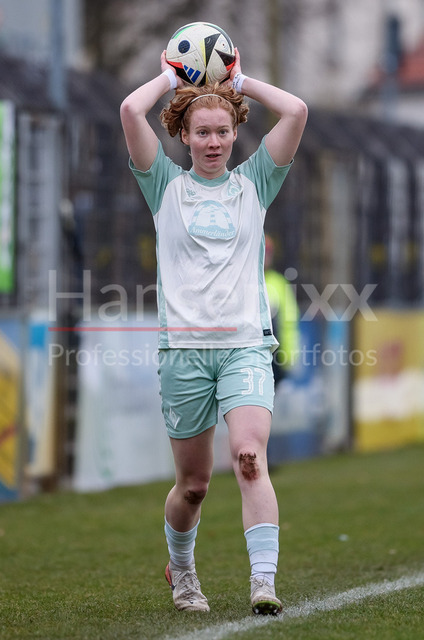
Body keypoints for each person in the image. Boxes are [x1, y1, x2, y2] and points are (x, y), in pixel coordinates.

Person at [120, 46, 307, 615]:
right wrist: (170, 76)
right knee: (194, 486)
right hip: (183, 352)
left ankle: (263, 583)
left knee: (250, 456)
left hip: (245, 347)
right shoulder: (164, 186)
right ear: (183, 135)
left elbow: (296, 111)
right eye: (201, 132)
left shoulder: (256, 182)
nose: (213, 142)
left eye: (222, 131)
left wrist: (238, 80)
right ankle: (182, 571)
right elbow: (130, 111)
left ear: (235, 132)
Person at [264, 235, 300, 384]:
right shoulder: (243, 280)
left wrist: (288, 354)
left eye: (268, 253)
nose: (265, 257)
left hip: (274, 355)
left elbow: (289, 320)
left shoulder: (278, 282)